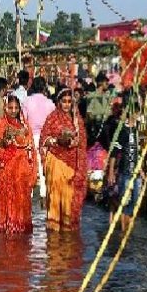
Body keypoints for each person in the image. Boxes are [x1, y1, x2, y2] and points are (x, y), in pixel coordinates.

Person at [0, 96, 38, 234]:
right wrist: (3, 142)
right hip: (7, 170)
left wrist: (33, 170)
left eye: (16, 108)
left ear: (20, 108)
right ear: (5, 108)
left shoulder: (25, 126)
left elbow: (31, 148)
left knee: (22, 201)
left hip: (23, 170)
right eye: (10, 108)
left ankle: (20, 234)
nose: (13, 111)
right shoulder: (0, 124)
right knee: (8, 201)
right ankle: (8, 233)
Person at [39, 89, 88, 232]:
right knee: (55, 198)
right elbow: (44, 140)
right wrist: (58, 141)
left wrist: (75, 142)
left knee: (69, 200)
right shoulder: (53, 118)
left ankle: (68, 233)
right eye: (64, 101)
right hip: (56, 162)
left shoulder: (77, 120)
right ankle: (54, 236)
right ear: (59, 102)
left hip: (73, 165)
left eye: (69, 102)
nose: (66, 105)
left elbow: (83, 142)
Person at [107, 94, 145, 233]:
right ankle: (124, 231)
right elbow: (114, 153)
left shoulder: (137, 130)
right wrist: (111, 172)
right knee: (126, 203)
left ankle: (127, 230)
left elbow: (137, 152)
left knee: (134, 203)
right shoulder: (122, 130)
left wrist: (141, 170)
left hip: (136, 174)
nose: (138, 114)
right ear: (132, 112)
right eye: (137, 111)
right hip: (125, 173)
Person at [23, 76, 56, 203]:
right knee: (44, 168)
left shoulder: (27, 102)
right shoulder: (50, 103)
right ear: (43, 87)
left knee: (31, 167)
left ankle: (29, 196)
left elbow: (24, 122)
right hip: (46, 139)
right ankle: (43, 195)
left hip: (31, 137)